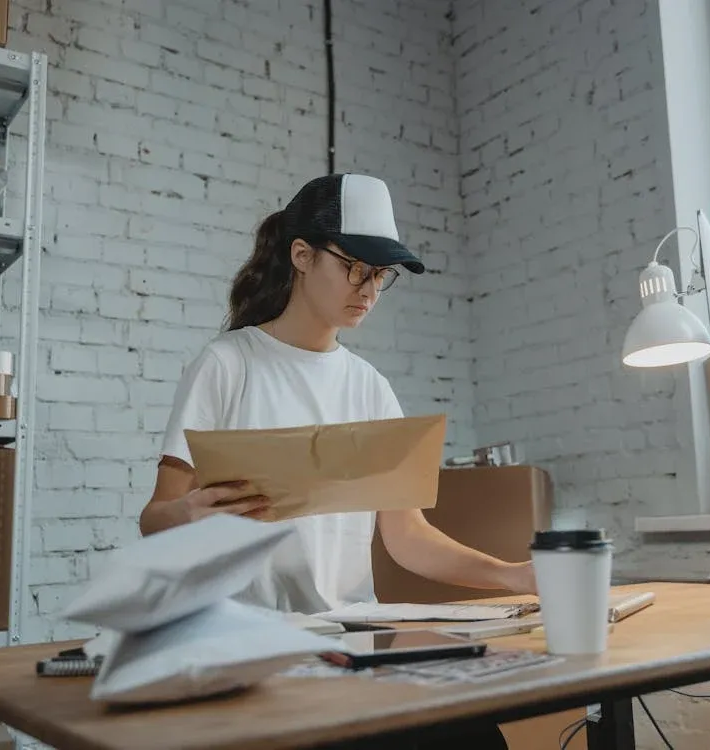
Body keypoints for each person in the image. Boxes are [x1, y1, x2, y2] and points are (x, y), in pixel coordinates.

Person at [140, 174, 528, 749]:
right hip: (248, 642)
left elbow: (406, 537)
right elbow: (154, 518)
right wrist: (190, 516)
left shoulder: (371, 388)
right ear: (301, 254)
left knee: (475, 736)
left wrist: (512, 575)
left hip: (351, 638)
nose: (369, 288)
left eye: (381, 275)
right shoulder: (228, 365)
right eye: (355, 267)